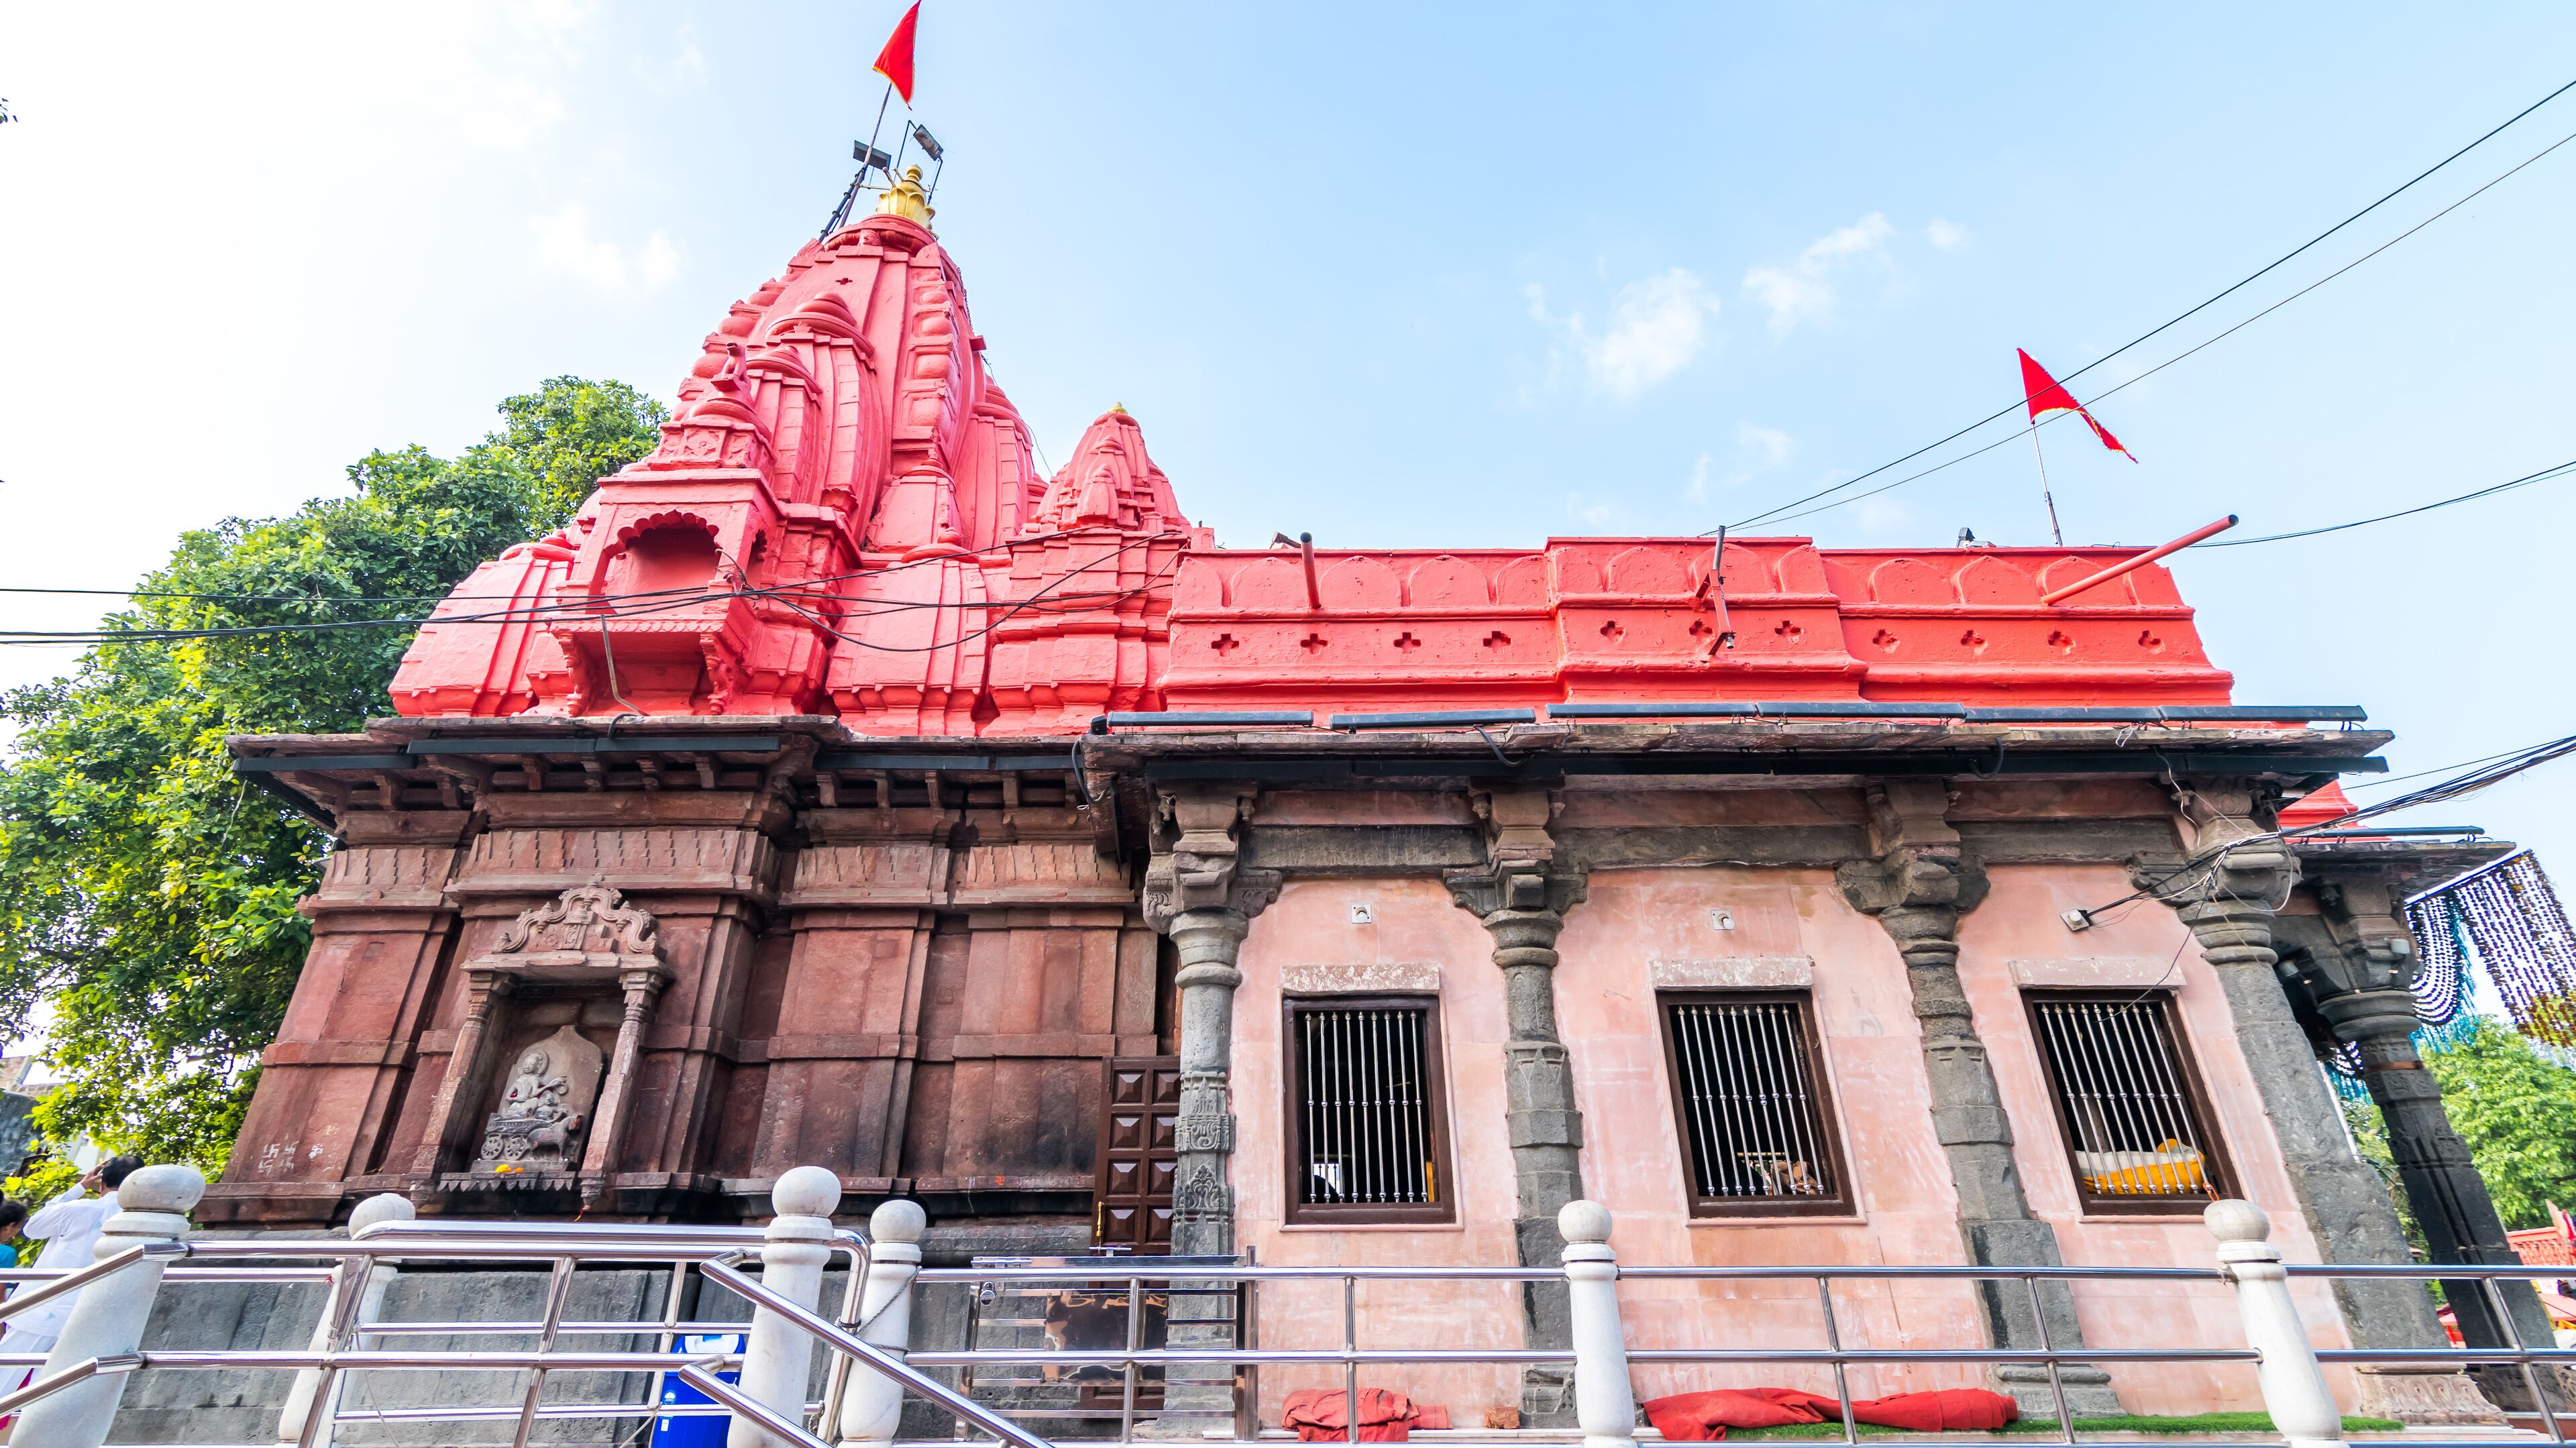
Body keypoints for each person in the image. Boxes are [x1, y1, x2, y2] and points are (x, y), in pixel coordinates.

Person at [0, 1156, 143, 1384]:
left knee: (5, 1374)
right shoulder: (141, 1223)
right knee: (46, 1391)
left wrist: (79, 1187)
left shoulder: (78, 1209)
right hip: (89, 1317)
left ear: (102, 1183)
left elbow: (33, 1228)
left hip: (42, 1306)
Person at [0, 1201, 25, 1270]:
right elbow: (4, 1279)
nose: (18, 1230)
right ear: (9, 1227)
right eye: (19, 1226)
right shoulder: (7, 1253)